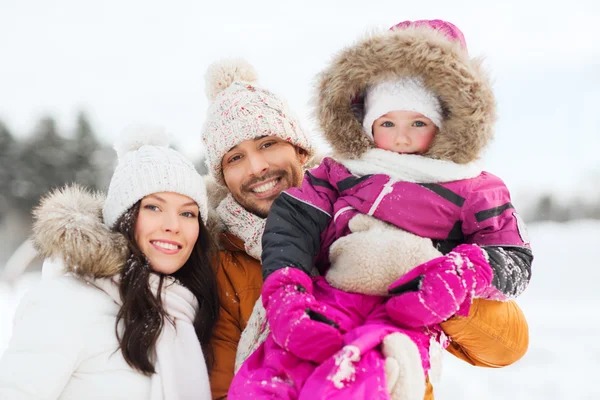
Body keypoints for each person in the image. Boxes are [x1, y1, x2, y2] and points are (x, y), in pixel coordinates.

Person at [230, 20, 533, 399]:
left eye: (418, 122)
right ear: (368, 124)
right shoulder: (342, 171)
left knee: (372, 377)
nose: (401, 137)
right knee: (277, 371)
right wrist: (286, 292)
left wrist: (460, 276)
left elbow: (512, 257)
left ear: (446, 125)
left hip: (410, 308)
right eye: (387, 122)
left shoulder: (473, 186)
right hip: (334, 294)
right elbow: (294, 222)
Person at [0, 127, 219, 399]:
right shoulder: (67, 302)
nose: (173, 226)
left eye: (188, 213)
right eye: (153, 207)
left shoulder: (185, 313)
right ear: (123, 216)